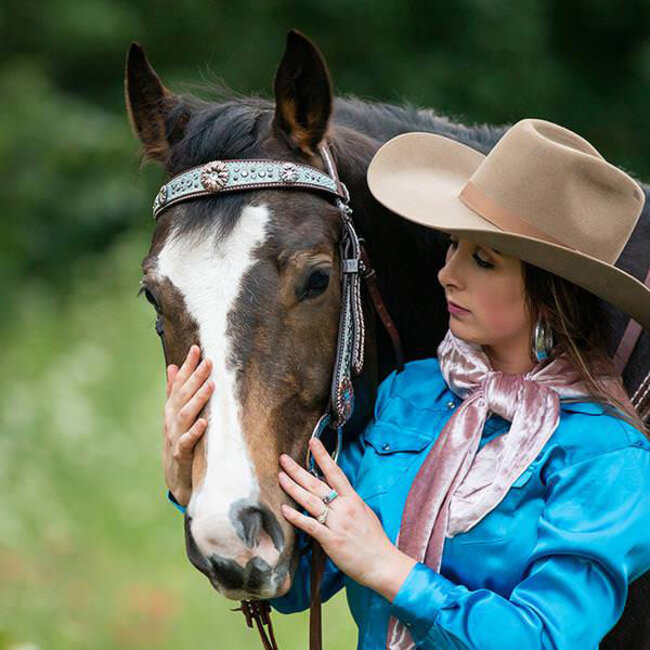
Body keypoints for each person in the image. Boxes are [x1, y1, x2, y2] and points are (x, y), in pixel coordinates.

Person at [162, 118, 650, 649]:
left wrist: (389, 569)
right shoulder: (411, 394)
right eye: (454, 246)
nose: (448, 273)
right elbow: (297, 577)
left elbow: (545, 638)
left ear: (551, 294)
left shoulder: (606, 456)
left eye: (483, 260)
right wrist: (193, 491)